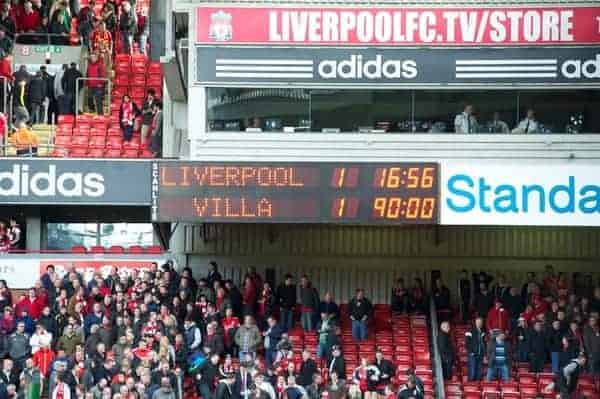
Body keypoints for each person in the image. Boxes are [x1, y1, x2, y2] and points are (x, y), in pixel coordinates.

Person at [465, 317, 486, 381]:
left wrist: (484, 354)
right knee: (472, 372)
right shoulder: (469, 330)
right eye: (478, 322)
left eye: (480, 322)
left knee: (479, 373)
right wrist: (471, 352)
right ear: (475, 322)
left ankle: (477, 387)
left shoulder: (483, 331)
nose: (479, 324)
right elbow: (467, 343)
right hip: (473, 355)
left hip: (480, 355)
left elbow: (484, 343)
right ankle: (470, 388)